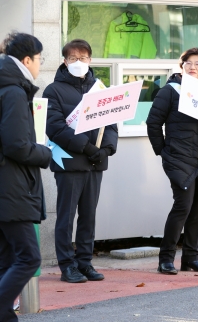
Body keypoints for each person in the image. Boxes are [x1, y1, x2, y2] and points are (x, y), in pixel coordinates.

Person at [43, 39, 118, 283]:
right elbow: (54, 127)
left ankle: (85, 262)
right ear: (65, 61)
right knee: (66, 217)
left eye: (83, 58)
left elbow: (112, 122)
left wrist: (106, 149)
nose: (79, 62)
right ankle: (67, 265)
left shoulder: (100, 88)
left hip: (95, 163)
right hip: (69, 163)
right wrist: (86, 148)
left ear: (90, 60)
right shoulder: (53, 90)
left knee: (89, 215)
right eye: (73, 58)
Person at [147, 48, 198, 275]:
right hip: (179, 159)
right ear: (181, 67)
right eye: (188, 63)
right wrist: (163, 151)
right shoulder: (170, 91)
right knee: (182, 207)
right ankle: (166, 259)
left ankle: (191, 258)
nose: (193, 67)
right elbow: (153, 123)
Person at [0, 32, 52, 322]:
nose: (40, 65)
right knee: (28, 258)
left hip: (7, 187)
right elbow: (17, 145)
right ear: (27, 60)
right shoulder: (14, 92)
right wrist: (45, 153)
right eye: (40, 59)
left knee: (5, 260)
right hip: (11, 187)